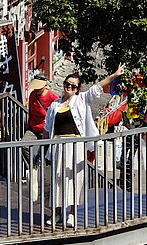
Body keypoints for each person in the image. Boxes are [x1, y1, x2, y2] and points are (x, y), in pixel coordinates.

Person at [45, 64, 125, 227]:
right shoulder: (54, 105)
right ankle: (57, 213)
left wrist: (114, 75)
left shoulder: (82, 100)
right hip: (58, 146)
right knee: (57, 179)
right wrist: (43, 149)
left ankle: (72, 214)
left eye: (73, 86)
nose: (69, 87)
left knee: (75, 178)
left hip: (76, 145)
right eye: (67, 84)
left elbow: (97, 88)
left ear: (77, 89)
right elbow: (48, 128)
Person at [21, 71, 58, 174]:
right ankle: (32, 169)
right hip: (34, 128)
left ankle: (46, 175)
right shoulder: (33, 94)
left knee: (46, 155)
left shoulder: (52, 97)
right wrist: (28, 127)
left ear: (45, 85)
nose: (36, 90)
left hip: (47, 130)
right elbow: (31, 113)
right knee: (24, 146)